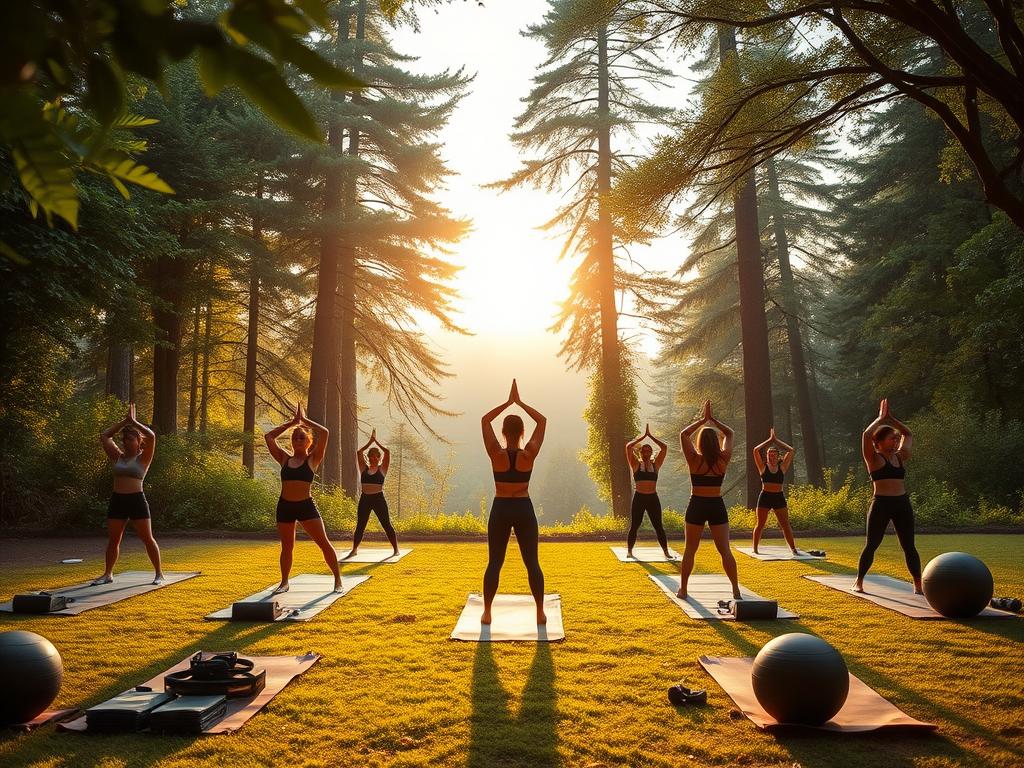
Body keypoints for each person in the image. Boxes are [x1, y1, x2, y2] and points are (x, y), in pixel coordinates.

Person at [480, 379, 547, 625]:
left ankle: (487, 612)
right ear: (521, 433)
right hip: (522, 508)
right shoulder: (529, 454)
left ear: (503, 432)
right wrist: (520, 403)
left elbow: (484, 420)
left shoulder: (495, 454)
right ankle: (539, 612)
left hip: (501, 508)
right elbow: (542, 421)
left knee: (494, 563)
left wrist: (508, 403)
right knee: (532, 563)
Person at [264, 402, 343, 594]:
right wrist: (292, 423)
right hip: (285, 507)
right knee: (287, 547)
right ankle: (284, 582)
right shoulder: (284, 458)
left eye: (301, 437)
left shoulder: (313, 459)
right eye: (294, 437)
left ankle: (338, 581)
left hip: (306, 507)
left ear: (308, 441)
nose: (297, 440)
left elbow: (324, 433)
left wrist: (305, 421)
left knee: (323, 543)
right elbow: (269, 437)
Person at [856, 398, 921, 593]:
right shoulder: (873, 458)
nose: (895, 441)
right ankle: (859, 582)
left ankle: (918, 585)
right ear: (879, 442)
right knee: (872, 545)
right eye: (891, 438)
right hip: (881, 504)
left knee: (909, 545)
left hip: (902, 503)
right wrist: (880, 419)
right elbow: (867, 435)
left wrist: (892, 420)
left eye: (895, 439)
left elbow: (908, 434)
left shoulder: (900, 456)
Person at [677, 400, 740, 600]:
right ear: (715, 442)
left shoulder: (694, 459)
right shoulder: (723, 459)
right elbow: (729, 433)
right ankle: (735, 589)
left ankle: (683, 589)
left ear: (700, 443)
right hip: (715, 505)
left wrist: (702, 420)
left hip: (697, 504)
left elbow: (683, 434)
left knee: (690, 549)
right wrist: (713, 420)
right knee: (725, 550)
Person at [96, 403, 163, 585]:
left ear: (139, 441)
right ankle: (108, 574)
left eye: (130, 439)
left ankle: (158, 574)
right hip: (118, 500)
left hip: (136, 500)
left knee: (147, 538)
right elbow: (105, 435)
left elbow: (151, 436)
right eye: (124, 440)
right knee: (114, 540)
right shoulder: (117, 456)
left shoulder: (144, 458)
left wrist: (134, 422)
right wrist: (124, 422)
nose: (126, 442)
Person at [341, 429, 400, 559]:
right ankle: (354, 550)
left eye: (376, 456)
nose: (373, 458)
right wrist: (370, 442)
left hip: (378, 499)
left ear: (379, 458)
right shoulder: (364, 468)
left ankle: (396, 549)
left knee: (386, 524)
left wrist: (376, 441)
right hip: (365, 499)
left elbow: (387, 452)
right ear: (368, 457)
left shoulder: (382, 469)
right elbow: (359, 452)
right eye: (371, 456)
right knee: (360, 525)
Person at [624, 424, 672, 559]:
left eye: (648, 451)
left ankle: (666, 552)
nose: (646, 452)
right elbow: (628, 447)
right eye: (644, 450)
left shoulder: (656, 465)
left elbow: (664, 448)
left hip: (652, 498)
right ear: (640, 453)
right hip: (639, 498)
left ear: (651, 453)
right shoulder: (635, 464)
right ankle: (629, 551)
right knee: (635, 525)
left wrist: (651, 436)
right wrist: (642, 437)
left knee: (658, 526)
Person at [751, 428, 799, 554]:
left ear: (778, 457)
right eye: (769, 455)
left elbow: (791, 450)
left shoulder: (782, 467)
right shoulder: (762, 467)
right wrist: (769, 440)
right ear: (766, 457)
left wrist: (776, 440)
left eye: (773, 455)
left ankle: (793, 549)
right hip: (765, 497)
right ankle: (755, 549)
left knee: (785, 524)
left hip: (778, 497)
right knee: (760, 524)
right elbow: (755, 450)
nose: (771, 457)